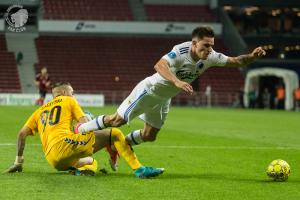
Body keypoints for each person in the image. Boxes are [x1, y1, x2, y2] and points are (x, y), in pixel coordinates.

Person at [75, 26, 266, 167]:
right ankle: (82, 127)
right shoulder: (181, 51)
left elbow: (236, 61)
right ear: (194, 43)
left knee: (149, 136)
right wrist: (177, 82)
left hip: (163, 99)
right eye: (205, 45)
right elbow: (159, 65)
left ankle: (117, 146)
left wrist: (252, 56)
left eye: (211, 46)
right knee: (117, 120)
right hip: (149, 91)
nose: (209, 50)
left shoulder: (211, 57)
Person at [4, 82, 164, 178]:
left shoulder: (39, 111)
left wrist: (18, 161)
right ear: (64, 93)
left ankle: (83, 170)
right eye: (72, 92)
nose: (74, 95)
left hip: (54, 160)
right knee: (114, 134)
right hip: (66, 146)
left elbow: (21, 134)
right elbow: (87, 124)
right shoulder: (68, 100)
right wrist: (90, 117)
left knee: (90, 161)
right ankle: (139, 169)